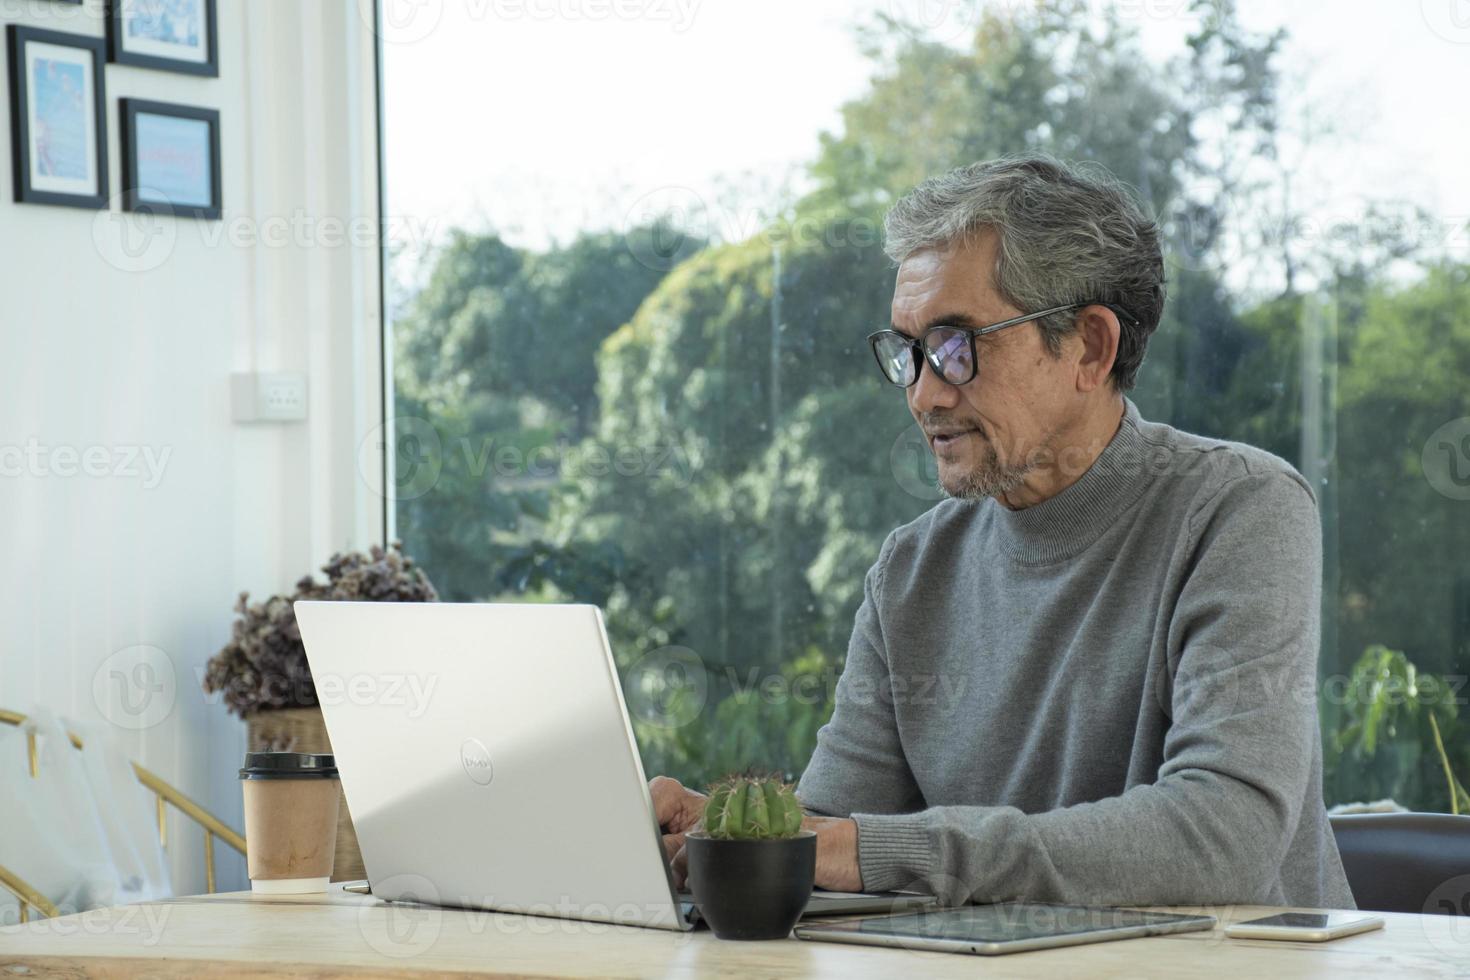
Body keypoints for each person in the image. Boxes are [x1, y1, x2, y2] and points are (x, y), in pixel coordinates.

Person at [651, 154, 1355, 909]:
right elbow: (835, 838)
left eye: (957, 347)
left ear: (1090, 347)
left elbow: (1226, 835)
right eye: (909, 352)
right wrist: (731, 835)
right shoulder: (912, 569)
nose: (923, 394)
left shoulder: (1240, 507)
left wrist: (888, 850)